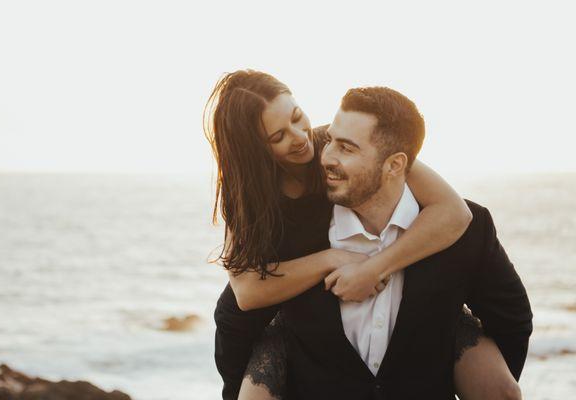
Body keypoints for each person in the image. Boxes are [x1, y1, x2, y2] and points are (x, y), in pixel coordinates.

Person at [203, 70, 527, 399]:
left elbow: (454, 212)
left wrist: (375, 267)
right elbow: (246, 293)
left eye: (297, 117)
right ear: (254, 149)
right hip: (273, 308)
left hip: (347, 304)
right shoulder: (247, 192)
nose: (299, 137)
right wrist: (331, 260)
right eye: (278, 137)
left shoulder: (338, 145)